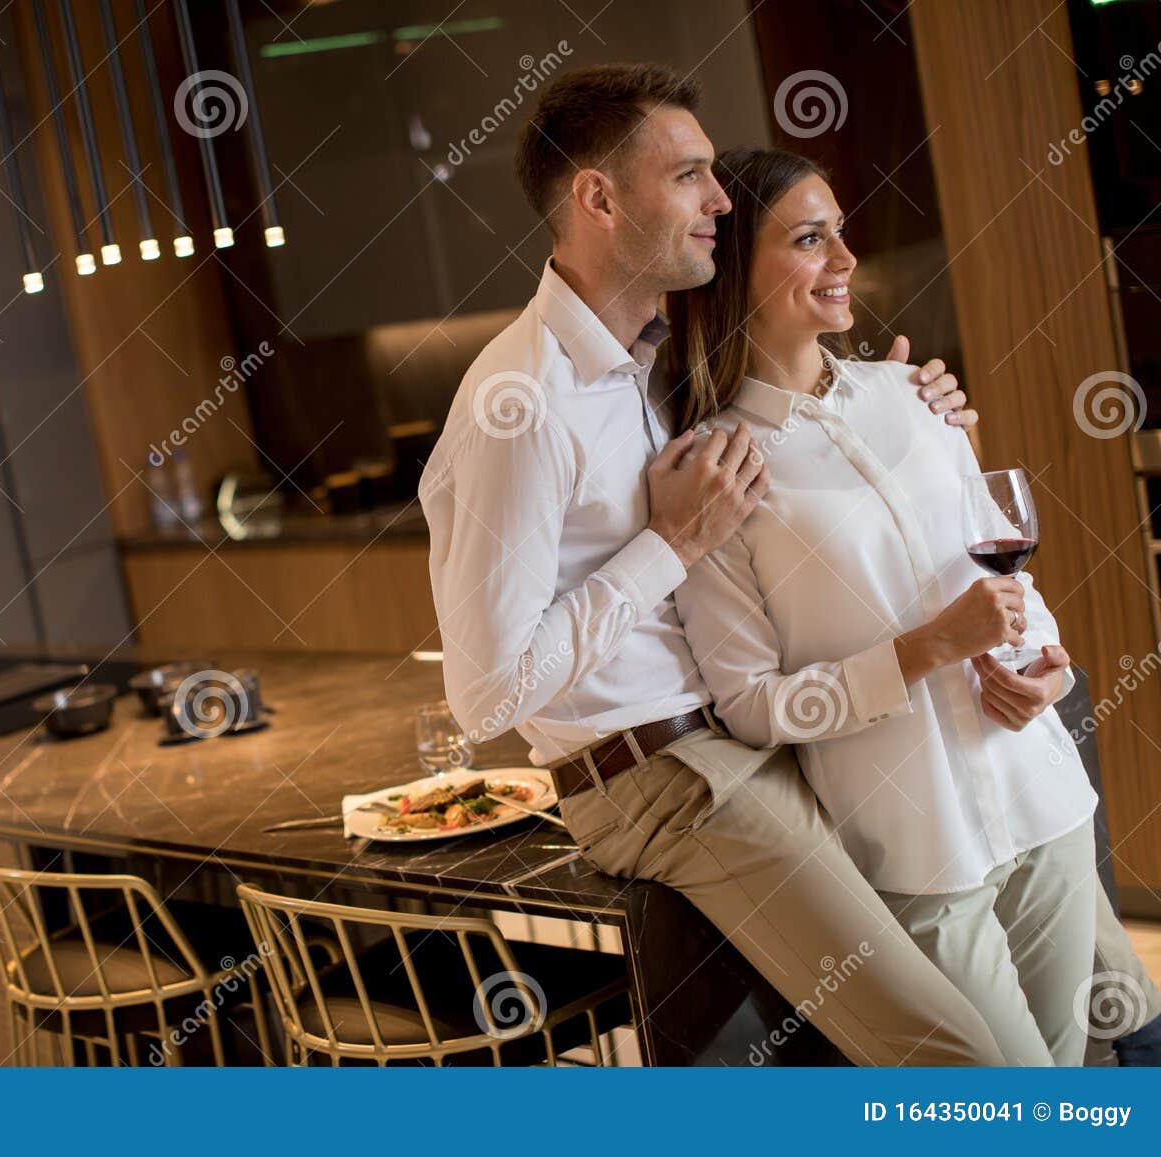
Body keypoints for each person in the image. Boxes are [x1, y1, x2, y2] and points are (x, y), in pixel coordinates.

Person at [421, 61, 1161, 1066]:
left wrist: (904, 410)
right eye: (687, 175)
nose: (717, 198)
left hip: (747, 744)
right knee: (960, 1053)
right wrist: (671, 544)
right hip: (663, 765)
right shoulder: (519, 403)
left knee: (1074, 996)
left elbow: (789, 394)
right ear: (598, 197)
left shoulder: (649, 366)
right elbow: (484, 696)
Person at [666, 144, 1101, 1064]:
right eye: (809, 239)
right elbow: (752, 707)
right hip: (916, 846)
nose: (845, 258)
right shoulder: (717, 471)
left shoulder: (914, 395)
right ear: (732, 268)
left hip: (1040, 796)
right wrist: (925, 649)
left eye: (840, 233)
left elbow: (1004, 572)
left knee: (1069, 1081)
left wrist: (1045, 667)